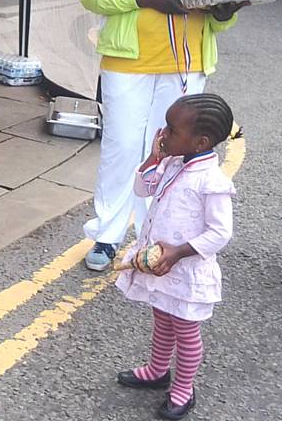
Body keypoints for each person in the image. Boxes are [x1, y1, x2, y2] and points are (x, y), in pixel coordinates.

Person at [80, 0, 247, 271]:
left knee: (174, 151)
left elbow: (221, 0)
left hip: (187, 63)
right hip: (128, 61)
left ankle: (158, 234)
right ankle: (107, 236)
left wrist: (225, 11)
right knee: (121, 147)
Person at [115, 93, 236, 420]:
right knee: (162, 319)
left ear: (201, 142)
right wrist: (153, 158)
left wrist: (179, 252)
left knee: (185, 330)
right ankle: (157, 370)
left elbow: (220, 233)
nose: (163, 133)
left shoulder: (211, 181)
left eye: (171, 129)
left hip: (184, 269)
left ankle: (184, 388)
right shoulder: (171, 162)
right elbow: (143, 189)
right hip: (160, 266)